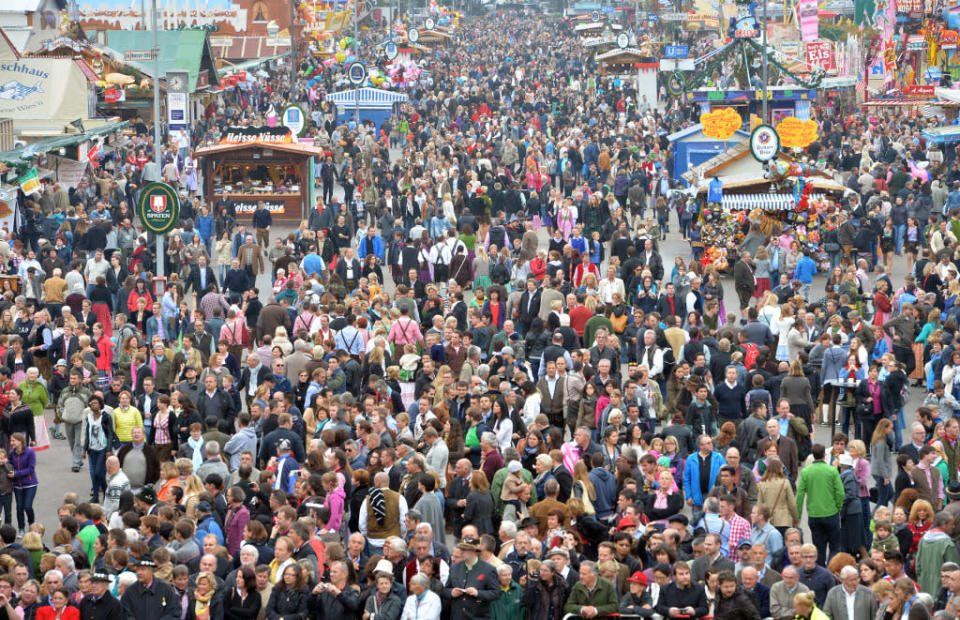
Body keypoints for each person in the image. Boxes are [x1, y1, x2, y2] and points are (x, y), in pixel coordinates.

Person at [796, 443, 844, 565]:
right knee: (835, 546)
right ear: (824, 455)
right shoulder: (832, 471)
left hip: (814, 515)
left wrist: (798, 515)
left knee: (819, 548)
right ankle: (832, 568)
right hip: (831, 513)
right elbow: (840, 493)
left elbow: (800, 495)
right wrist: (838, 507)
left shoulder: (806, 472)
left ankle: (821, 571)